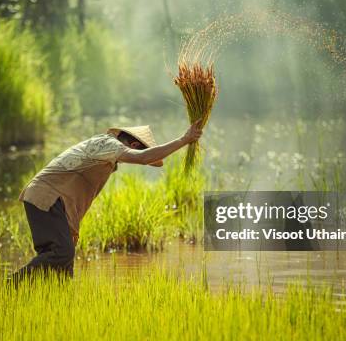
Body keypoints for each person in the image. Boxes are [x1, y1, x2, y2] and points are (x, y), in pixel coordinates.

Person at [12, 120, 203, 281]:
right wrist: (184, 139)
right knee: (61, 254)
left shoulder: (105, 153)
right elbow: (145, 157)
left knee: (62, 267)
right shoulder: (108, 144)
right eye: (136, 151)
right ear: (134, 145)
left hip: (51, 200)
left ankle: (55, 306)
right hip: (46, 196)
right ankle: (6, 288)